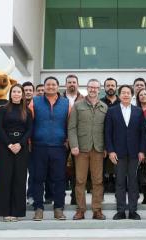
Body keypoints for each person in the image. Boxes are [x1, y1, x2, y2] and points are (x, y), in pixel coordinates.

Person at [30, 76, 69, 221]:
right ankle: (38, 209)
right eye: (48, 84)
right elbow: (29, 123)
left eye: (53, 84)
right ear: (44, 86)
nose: (51, 87)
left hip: (59, 147)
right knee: (38, 179)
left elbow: (69, 124)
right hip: (39, 146)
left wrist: (68, 140)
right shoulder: (35, 102)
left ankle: (58, 209)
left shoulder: (66, 103)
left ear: (58, 87)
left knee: (59, 179)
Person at [105, 85, 146, 220]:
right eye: (123, 93)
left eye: (128, 93)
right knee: (120, 182)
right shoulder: (112, 111)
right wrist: (110, 151)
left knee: (133, 182)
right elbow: (108, 133)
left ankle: (133, 210)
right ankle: (121, 210)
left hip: (135, 153)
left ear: (132, 95)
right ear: (119, 95)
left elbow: (143, 133)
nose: (125, 95)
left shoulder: (138, 111)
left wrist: (142, 150)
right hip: (118, 153)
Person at [68, 79, 108, 220]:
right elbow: (72, 127)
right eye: (91, 87)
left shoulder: (104, 107)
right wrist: (73, 145)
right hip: (81, 149)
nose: (93, 90)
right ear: (87, 88)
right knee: (80, 181)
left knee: (98, 181)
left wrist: (106, 147)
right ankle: (81, 210)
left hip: (98, 149)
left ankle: (97, 210)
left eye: (96, 88)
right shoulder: (78, 106)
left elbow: (107, 130)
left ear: (99, 90)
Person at [0, 84, 33, 222]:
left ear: (22, 95)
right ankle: (5, 211)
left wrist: (20, 144)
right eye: (14, 91)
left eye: (19, 92)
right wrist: (9, 144)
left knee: (19, 179)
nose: (16, 94)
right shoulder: (3, 109)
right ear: (10, 94)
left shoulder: (27, 111)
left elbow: (29, 130)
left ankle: (16, 212)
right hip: (5, 146)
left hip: (21, 147)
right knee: (5, 179)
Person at [63, 74, 85, 205]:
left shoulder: (84, 99)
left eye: (74, 82)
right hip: (62, 140)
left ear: (77, 84)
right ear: (65, 84)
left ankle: (75, 197)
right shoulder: (59, 99)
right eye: (69, 82)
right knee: (61, 170)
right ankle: (58, 198)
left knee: (78, 171)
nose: (72, 84)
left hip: (79, 140)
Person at [100, 77, 120, 193]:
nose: (110, 87)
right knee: (100, 170)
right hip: (102, 141)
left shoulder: (122, 102)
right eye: (108, 85)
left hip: (119, 141)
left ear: (116, 87)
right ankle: (100, 195)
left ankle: (119, 195)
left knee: (120, 170)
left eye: (113, 85)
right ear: (104, 88)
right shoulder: (99, 103)